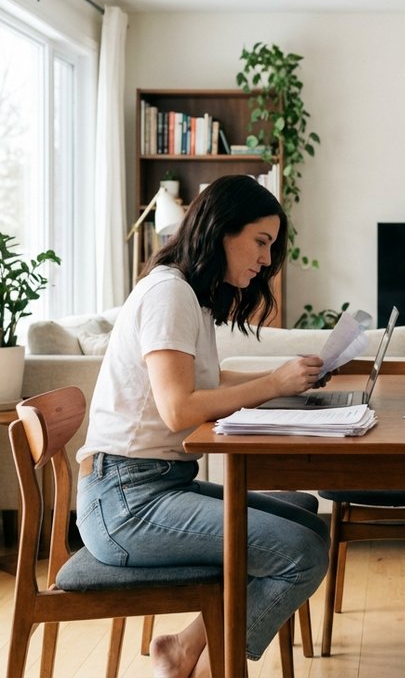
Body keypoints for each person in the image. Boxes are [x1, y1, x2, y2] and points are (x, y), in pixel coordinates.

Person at [76, 175, 330, 678]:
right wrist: (272, 381)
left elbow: (203, 381)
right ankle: (212, 667)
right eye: (260, 242)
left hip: (151, 486)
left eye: (270, 247)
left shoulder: (189, 295)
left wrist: (283, 383)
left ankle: (183, 647)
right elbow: (179, 409)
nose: (265, 259)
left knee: (310, 529)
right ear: (220, 230)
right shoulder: (169, 294)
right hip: (127, 503)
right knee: (299, 553)